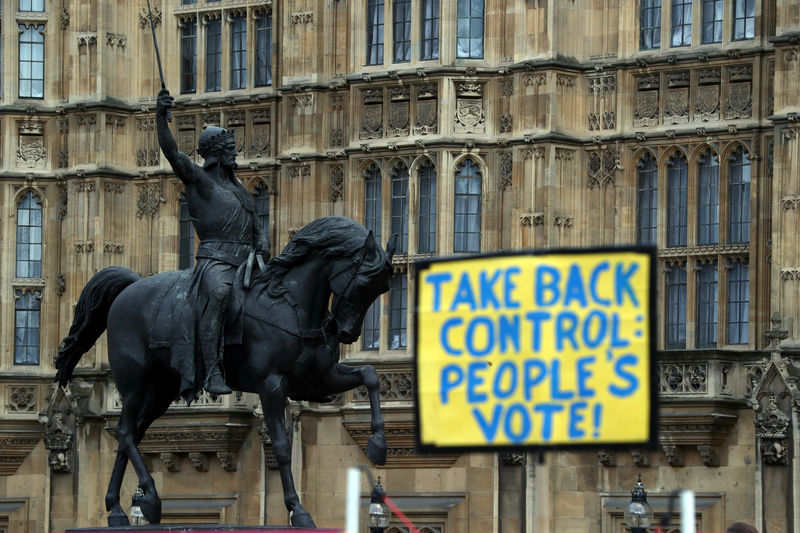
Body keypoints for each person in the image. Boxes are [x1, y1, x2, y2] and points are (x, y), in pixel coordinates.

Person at [156, 88, 270, 395]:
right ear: (217, 153)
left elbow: (257, 225)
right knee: (219, 295)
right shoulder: (202, 183)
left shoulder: (240, 190)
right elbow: (173, 154)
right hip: (215, 262)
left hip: (247, 263)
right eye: (230, 149)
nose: (235, 154)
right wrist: (160, 117)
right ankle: (213, 371)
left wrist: (263, 244)